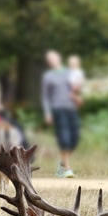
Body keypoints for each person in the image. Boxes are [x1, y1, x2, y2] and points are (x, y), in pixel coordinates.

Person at [42, 50, 80, 178]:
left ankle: (62, 163)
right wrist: (47, 113)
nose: (52, 60)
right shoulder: (48, 76)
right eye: (49, 59)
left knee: (75, 137)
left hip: (71, 107)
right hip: (58, 108)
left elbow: (76, 88)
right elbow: (46, 96)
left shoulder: (70, 72)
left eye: (54, 58)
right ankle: (67, 168)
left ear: (59, 58)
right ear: (48, 62)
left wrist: (77, 97)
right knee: (64, 136)